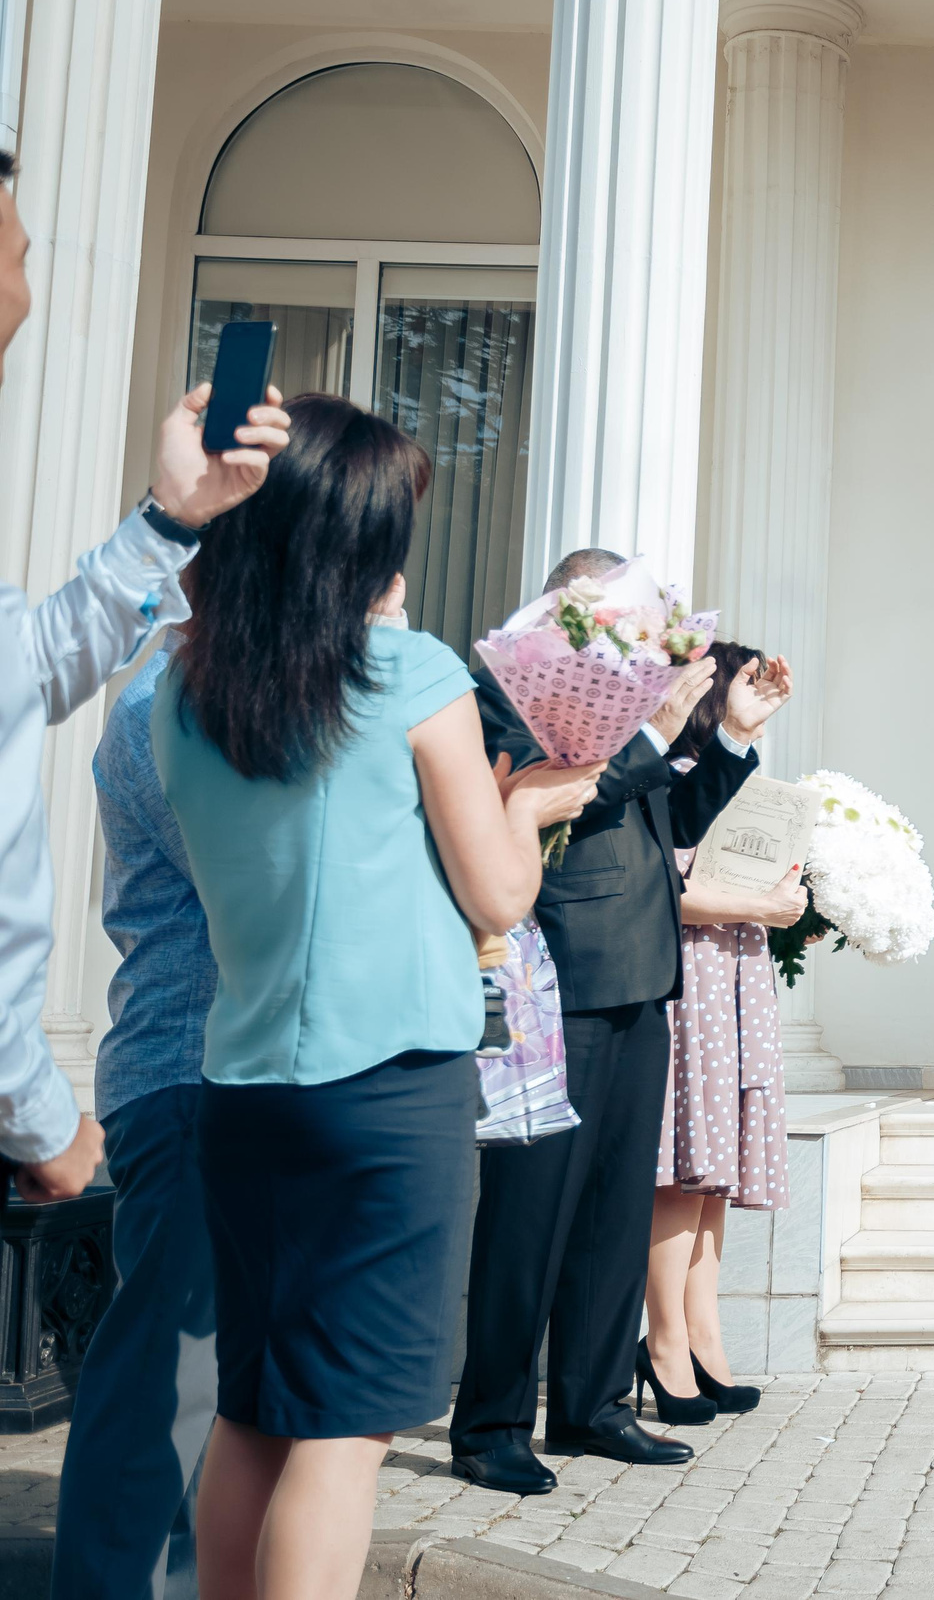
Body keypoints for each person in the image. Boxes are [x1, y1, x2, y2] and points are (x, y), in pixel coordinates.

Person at [150, 395, 601, 1600]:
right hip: (387, 1096)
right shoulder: (407, 672)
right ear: (352, 541)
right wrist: (531, 804)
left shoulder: (180, 691)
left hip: (244, 1085)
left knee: (255, 1407)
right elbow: (499, 896)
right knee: (346, 1429)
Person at [451, 551, 782, 1495]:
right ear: (570, 608)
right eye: (623, 619)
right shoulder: (506, 689)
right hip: (562, 971)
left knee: (612, 1207)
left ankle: (591, 1406)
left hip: (644, 974)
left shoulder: (637, 711)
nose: (635, 640)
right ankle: (491, 1422)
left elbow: (680, 821)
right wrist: (655, 730)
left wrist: (724, 740)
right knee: (530, 1210)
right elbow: (549, 803)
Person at [0, 146, 290, 1206]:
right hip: (177, 1079)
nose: (28, 291)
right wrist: (31, 1108)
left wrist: (176, 512)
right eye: (18, 253)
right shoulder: (156, 710)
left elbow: (30, 667)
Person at [52, 638, 218, 1600]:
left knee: (204, 1397)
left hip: (226, 1079)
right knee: (165, 1390)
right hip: (187, 1074)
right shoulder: (164, 706)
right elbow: (249, 888)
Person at [642, 640, 804, 1422]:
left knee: (716, 1175)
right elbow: (662, 890)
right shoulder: (668, 781)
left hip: (734, 971)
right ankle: (665, 1338)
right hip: (694, 975)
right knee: (684, 1168)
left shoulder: (732, 781)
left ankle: (704, 1332)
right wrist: (755, 906)